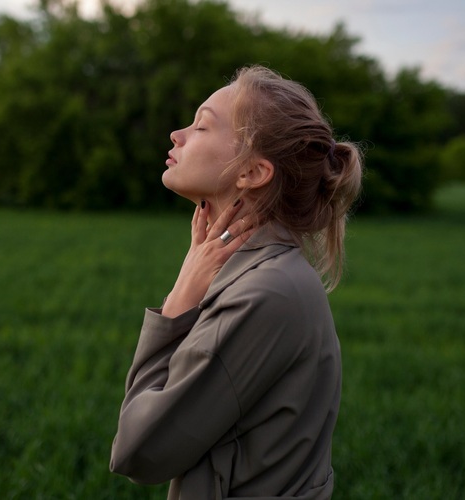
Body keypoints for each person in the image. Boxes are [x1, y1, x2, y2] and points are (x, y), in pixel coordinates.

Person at [109, 65, 363, 499]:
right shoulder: (259, 274)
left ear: (251, 172)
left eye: (202, 125)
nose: (177, 134)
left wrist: (176, 306)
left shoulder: (264, 293)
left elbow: (138, 452)